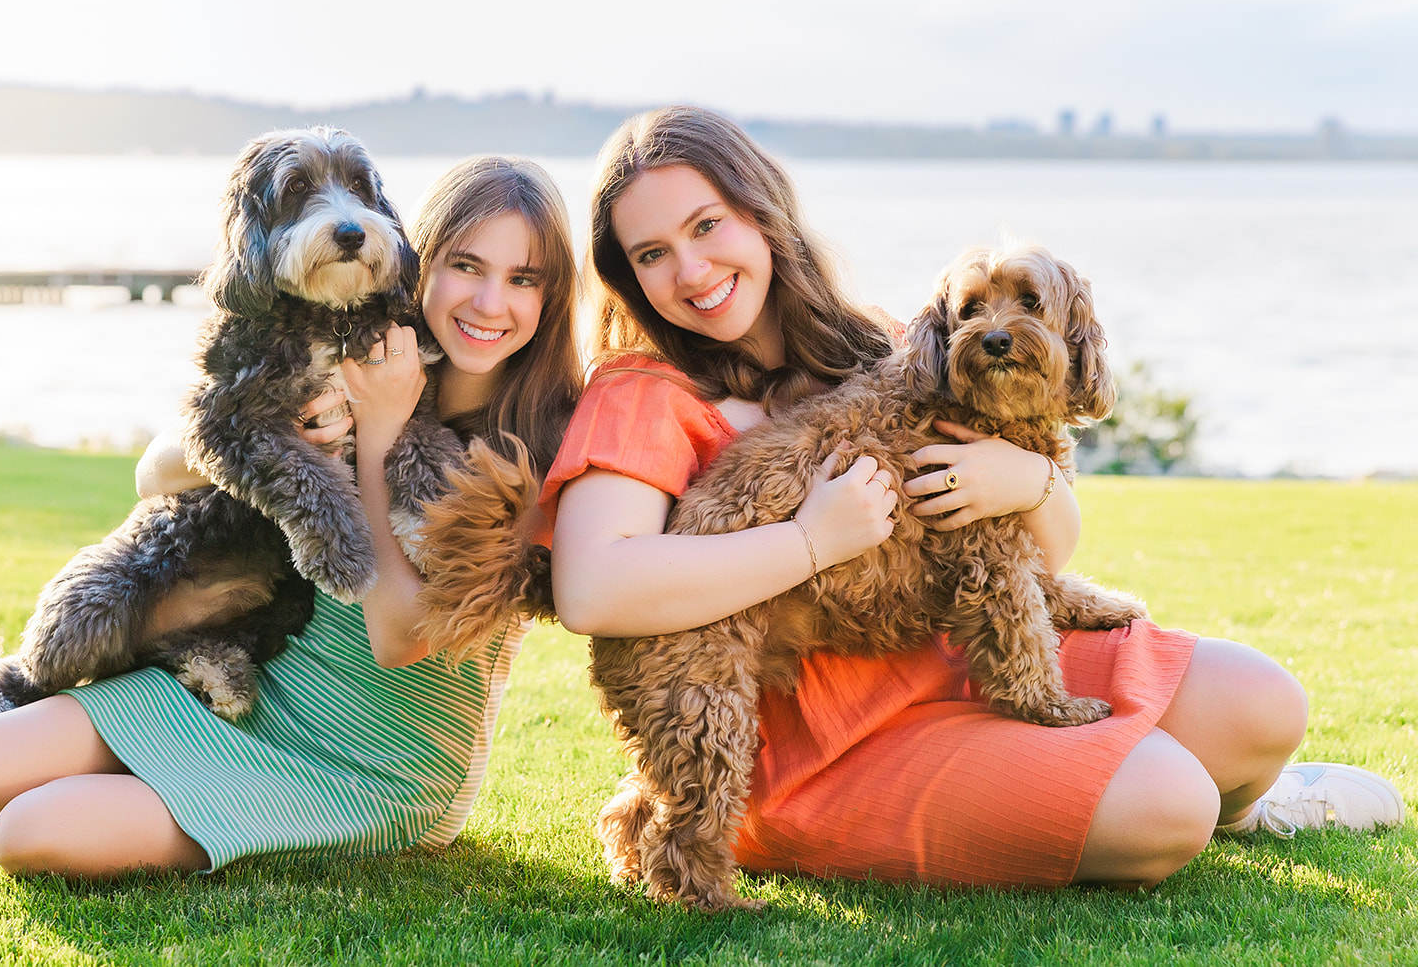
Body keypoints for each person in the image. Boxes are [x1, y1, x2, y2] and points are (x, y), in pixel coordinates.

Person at [542, 106, 1403, 890]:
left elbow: (1042, 552)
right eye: (652, 254)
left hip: (945, 660)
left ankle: (1243, 805)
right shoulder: (641, 393)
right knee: (1170, 806)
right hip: (812, 745)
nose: (690, 270)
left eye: (706, 226)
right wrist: (812, 541)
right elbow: (592, 588)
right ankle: (1168, 794)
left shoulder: (887, 342)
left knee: (1265, 700)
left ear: (761, 213)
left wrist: (1027, 480)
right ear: (627, 275)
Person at [0, 155, 585, 877]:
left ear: (553, 298)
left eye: (524, 279)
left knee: (27, 835)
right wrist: (295, 429)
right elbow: (155, 471)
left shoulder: (540, 445)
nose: (492, 301)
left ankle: (87, 785)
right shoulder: (356, 354)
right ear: (415, 257)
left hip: (376, 760)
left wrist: (378, 439)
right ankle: (38, 767)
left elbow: (401, 636)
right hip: (271, 688)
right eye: (467, 265)